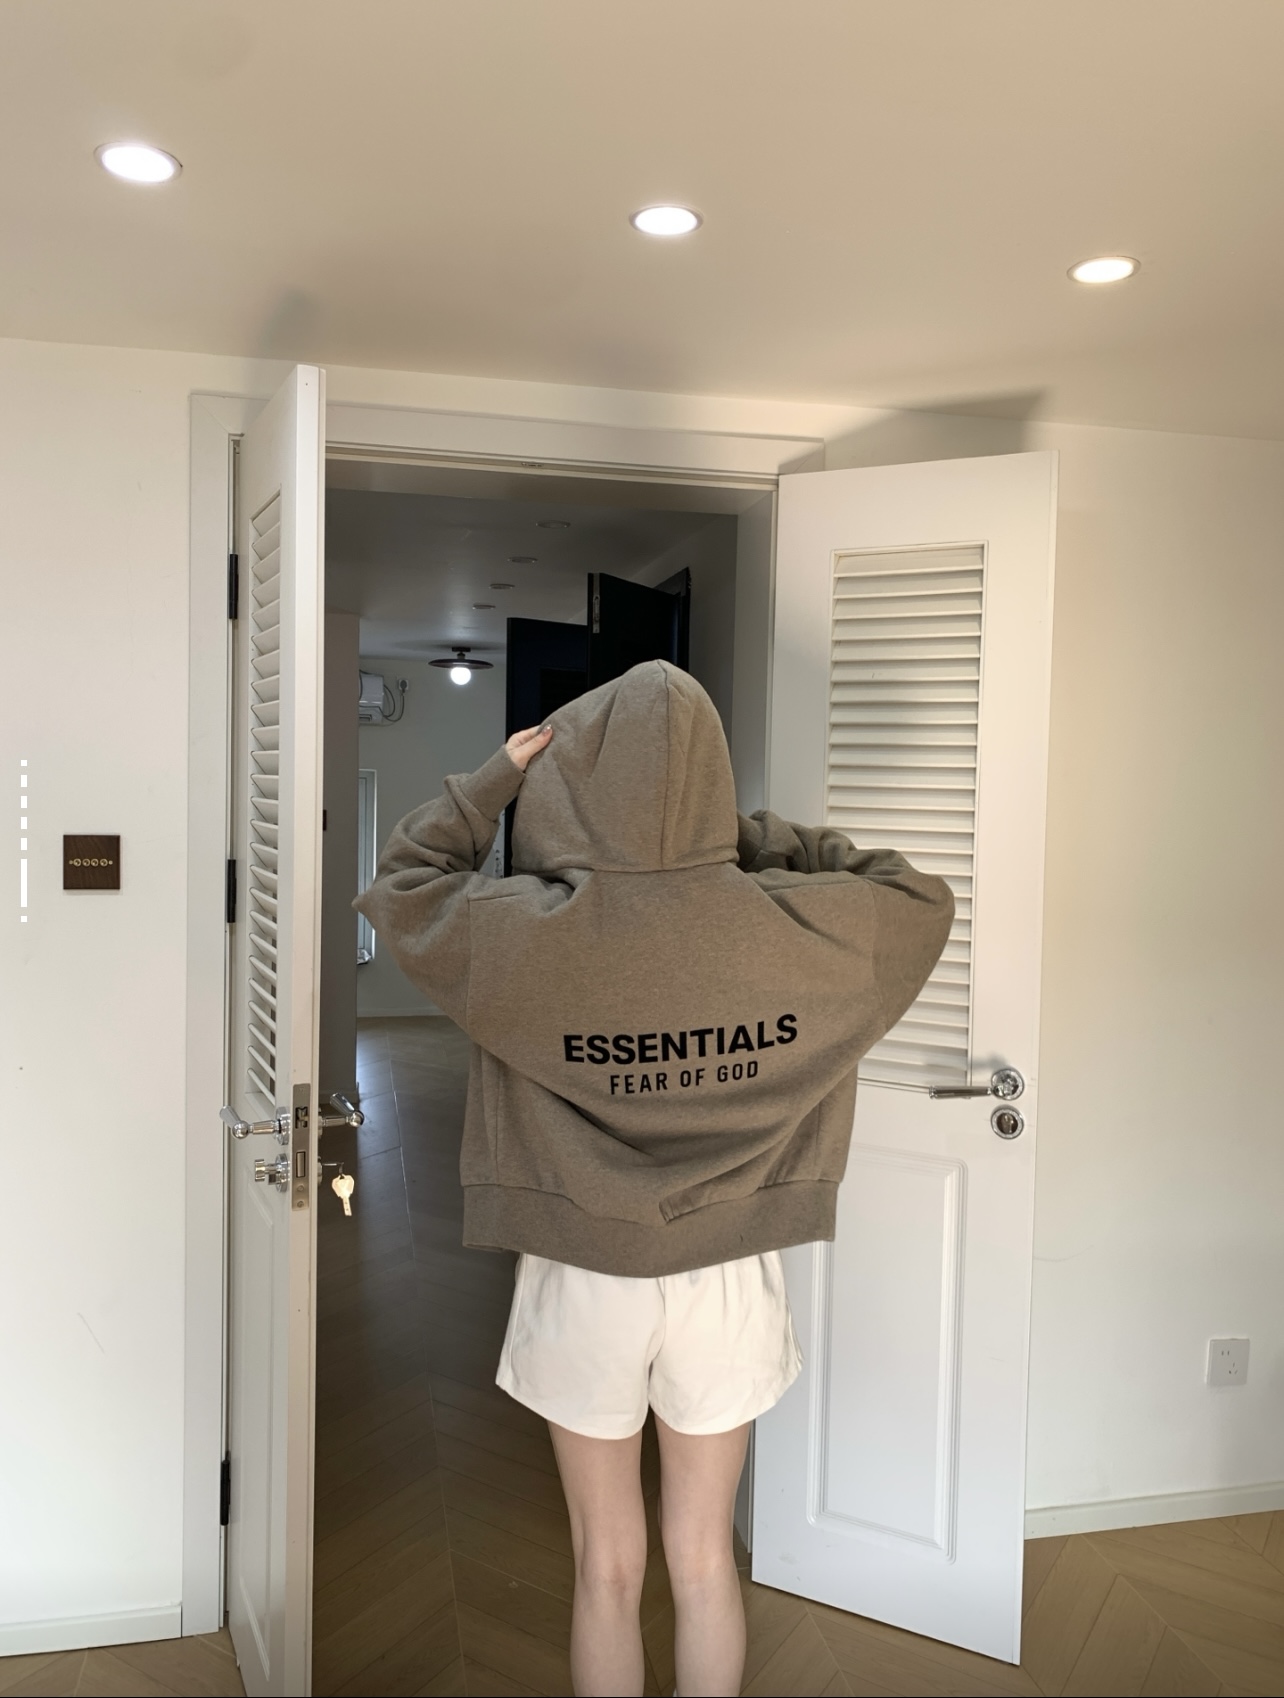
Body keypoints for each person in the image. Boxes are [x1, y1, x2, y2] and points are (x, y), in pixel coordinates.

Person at [357, 661, 953, 1697]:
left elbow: (401, 884)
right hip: (729, 1271)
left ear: (574, 787)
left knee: (606, 1568)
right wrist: (740, 838)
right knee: (706, 1561)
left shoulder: (519, 930)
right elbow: (917, 895)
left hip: (582, 1269)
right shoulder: (799, 924)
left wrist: (494, 781)